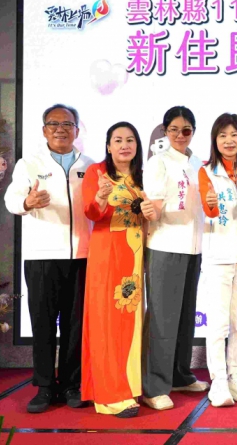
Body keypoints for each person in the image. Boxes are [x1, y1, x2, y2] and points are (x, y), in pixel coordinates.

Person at [4, 104, 93, 413]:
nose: (60, 129)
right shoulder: (29, 164)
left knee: (74, 325)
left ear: (76, 131)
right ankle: (44, 386)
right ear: (44, 130)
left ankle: (71, 384)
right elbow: (12, 199)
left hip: (82, 255)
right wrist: (27, 201)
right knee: (43, 324)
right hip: (42, 257)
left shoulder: (90, 166)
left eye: (67, 124)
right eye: (54, 124)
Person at [81, 122, 153, 418]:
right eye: (118, 140)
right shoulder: (97, 172)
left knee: (129, 324)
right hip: (107, 255)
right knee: (106, 324)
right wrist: (100, 196)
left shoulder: (142, 176)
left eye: (130, 140)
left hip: (134, 257)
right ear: (108, 146)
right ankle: (108, 395)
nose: (125, 145)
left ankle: (128, 386)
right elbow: (91, 212)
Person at [141, 106, 209, 411]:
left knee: (184, 317)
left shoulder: (197, 163)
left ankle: (180, 374)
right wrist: (149, 211)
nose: (180, 135)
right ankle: (153, 385)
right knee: (162, 319)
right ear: (165, 131)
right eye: (174, 130)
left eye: (186, 130)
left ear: (193, 131)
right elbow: (153, 208)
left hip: (194, 248)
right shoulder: (158, 162)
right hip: (165, 246)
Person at [198, 113, 237, 408]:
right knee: (219, 324)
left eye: (234, 134)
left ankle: (236, 377)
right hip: (218, 257)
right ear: (215, 140)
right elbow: (208, 209)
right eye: (222, 135)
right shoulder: (205, 171)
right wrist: (210, 204)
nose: (229, 140)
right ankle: (218, 382)